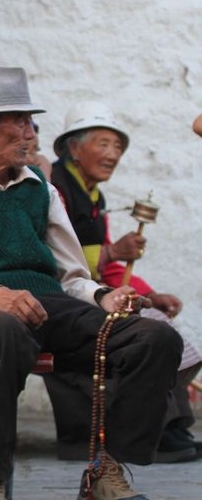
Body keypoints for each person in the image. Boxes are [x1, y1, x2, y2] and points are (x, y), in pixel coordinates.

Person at [0, 66, 182, 500]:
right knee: (2, 330)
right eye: (20, 121)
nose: (31, 133)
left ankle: (104, 468)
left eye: (31, 122)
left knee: (155, 339)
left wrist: (103, 297)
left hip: (50, 307)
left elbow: (71, 274)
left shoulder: (43, 190)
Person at [46, 101, 202, 462]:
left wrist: (150, 294)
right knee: (150, 334)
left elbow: (108, 268)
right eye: (103, 144)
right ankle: (160, 430)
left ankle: (169, 427)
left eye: (117, 146)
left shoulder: (93, 196)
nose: (113, 155)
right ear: (74, 148)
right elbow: (54, 256)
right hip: (63, 298)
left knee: (162, 328)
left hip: (93, 294)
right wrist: (112, 252)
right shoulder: (55, 189)